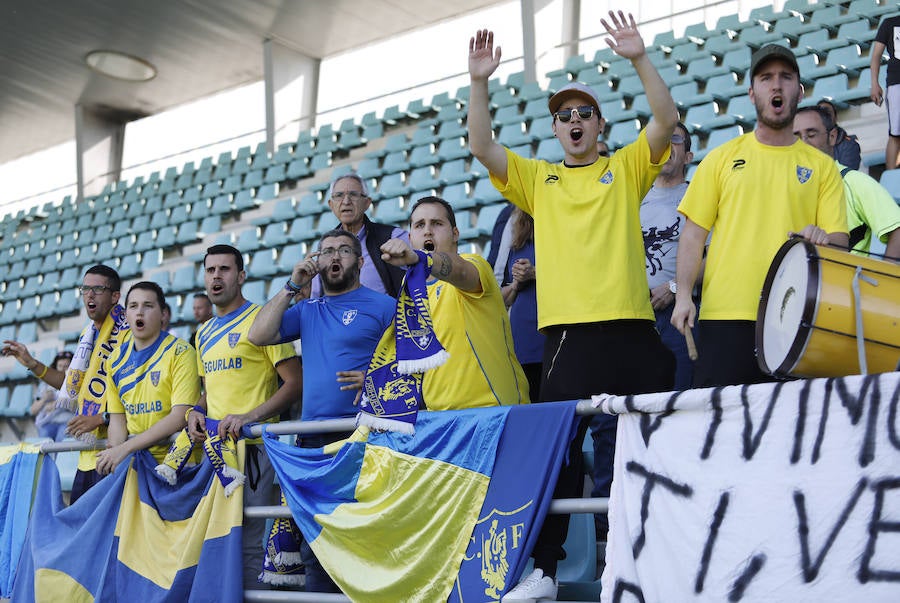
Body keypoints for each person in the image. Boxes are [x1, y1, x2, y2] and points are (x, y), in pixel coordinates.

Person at [467, 13, 677, 601]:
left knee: (648, 444)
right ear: (556, 129)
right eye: (565, 115)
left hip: (633, 330)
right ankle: (543, 569)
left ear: (600, 124)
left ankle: (651, 557)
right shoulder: (538, 179)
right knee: (558, 455)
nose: (575, 120)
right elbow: (481, 144)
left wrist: (638, 56)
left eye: (585, 113)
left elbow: (666, 119)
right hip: (567, 338)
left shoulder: (625, 167)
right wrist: (480, 80)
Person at [672, 44, 849, 389]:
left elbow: (840, 245)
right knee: (721, 435)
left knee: (787, 434)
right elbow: (693, 236)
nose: (776, 85)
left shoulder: (823, 168)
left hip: (793, 317)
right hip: (724, 318)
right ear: (752, 93)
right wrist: (682, 297)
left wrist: (822, 242)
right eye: (766, 78)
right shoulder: (721, 158)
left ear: (799, 90)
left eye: (785, 77)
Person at [249, 229, 394, 592]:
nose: (334, 256)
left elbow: (416, 363)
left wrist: (376, 376)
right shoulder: (307, 310)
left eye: (344, 250)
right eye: (326, 250)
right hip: (313, 440)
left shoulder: (384, 305)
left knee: (364, 535)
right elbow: (258, 335)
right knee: (318, 542)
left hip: (364, 434)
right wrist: (291, 285)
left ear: (360, 262)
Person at [187, 244, 301, 591]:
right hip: (214, 452)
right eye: (210, 270)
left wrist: (249, 416)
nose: (216, 276)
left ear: (241, 276)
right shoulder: (202, 333)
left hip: (253, 449)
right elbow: (214, 389)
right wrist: (197, 409)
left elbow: (295, 382)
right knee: (217, 538)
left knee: (248, 538)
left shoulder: (262, 320)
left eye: (224, 269)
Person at [380, 196, 530, 410]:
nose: (428, 231)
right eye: (420, 225)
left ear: (455, 234)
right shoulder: (410, 285)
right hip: (439, 419)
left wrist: (421, 259)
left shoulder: (474, 264)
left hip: (493, 410)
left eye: (437, 223)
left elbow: (458, 271)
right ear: (411, 236)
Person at [2, 264, 128, 503]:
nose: (89, 295)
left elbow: (136, 394)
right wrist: (31, 363)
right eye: (85, 289)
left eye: (98, 289)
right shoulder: (87, 334)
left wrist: (102, 418)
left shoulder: (127, 333)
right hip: (88, 453)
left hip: (115, 450)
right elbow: (71, 384)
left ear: (115, 296)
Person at [95, 282, 199, 475]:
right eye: (133, 306)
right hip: (136, 464)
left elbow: (180, 417)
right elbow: (118, 420)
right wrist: (114, 453)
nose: (139, 312)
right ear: (126, 315)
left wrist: (125, 448)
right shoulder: (114, 360)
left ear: (163, 315)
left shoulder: (182, 352)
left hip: (178, 464)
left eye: (148, 306)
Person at [793, 106, 900, 261]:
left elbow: (898, 229)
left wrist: (883, 281)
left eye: (811, 134)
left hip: (848, 283)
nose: (804, 142)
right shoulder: (785, 186)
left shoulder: (854, 182)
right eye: (796, 137)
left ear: (832, 136)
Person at [641, 121, 696, 390]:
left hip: (679, 316)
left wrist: (675, 287)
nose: (666, 144)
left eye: (675, 139)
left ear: (688, 157)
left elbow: (713, 257)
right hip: (638, 318)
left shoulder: (698, 197)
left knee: (679, 403)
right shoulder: (634, 198)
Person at [310, 173, 409, 298]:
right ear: (331, 205)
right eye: (339, 195)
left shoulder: (393, 237)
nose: (346, 201)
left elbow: (427, 267)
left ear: (367, 203)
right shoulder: (324, 250)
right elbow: (316, 299)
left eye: (353, 195)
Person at [493, 207, 543, 401]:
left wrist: (534, 273)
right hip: (524, 337)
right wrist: (517, 283)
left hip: (557, 332)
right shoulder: (513, 219)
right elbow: (499, 288)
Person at [871, 14, 900, 170]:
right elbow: (876, 56)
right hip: (897, 82)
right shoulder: (890, 23)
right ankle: (891, 178)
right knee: (895, 134)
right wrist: (874, 83)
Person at [29, 351, 74, 442]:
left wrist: (57, 403)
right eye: (60, 366)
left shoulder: (76, 384)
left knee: (61, 439)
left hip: (68, 422)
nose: (62, 370)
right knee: (43, 441)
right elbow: (33, 410)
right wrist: (44, 399)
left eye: (66, 366)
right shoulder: (45, 385)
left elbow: (79, 407)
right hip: (48, 422)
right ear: (55, 367)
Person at [816, 99, 861, 170]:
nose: (824, 117)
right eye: (821, 114)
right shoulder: (809, 144)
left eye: (827, 113)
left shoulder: (849, 145)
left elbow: (846, 175)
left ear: (836, 118)